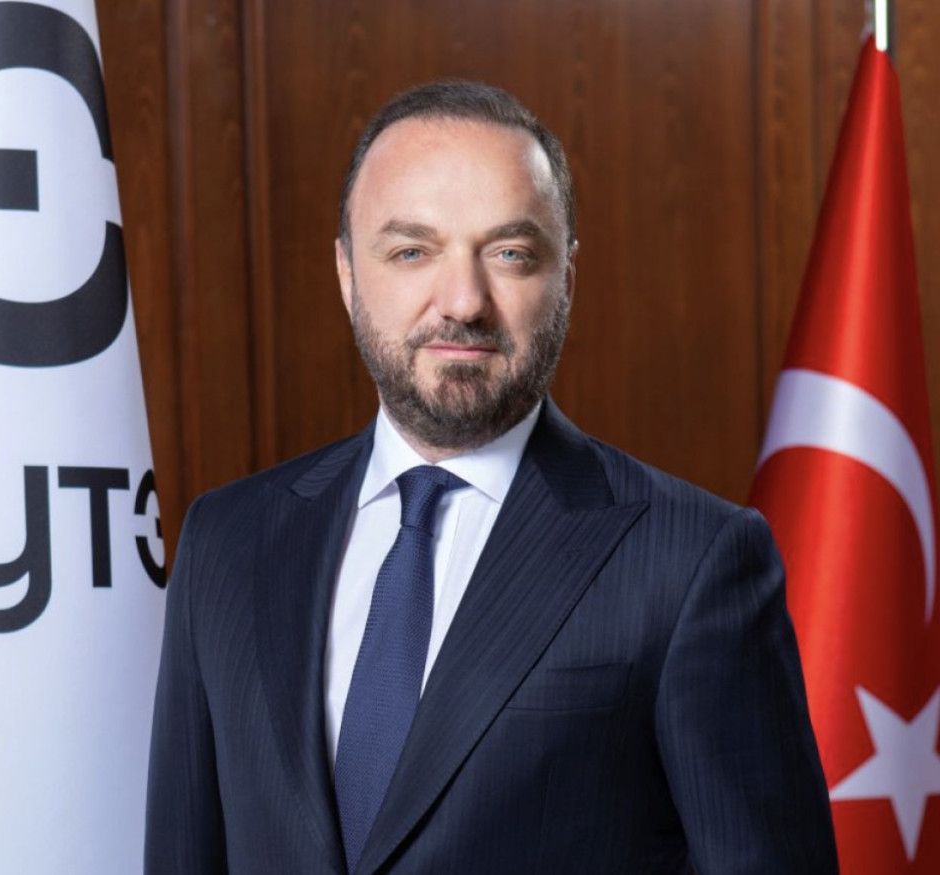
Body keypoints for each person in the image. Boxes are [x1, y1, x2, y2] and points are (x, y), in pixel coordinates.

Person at [145, 80, 837, 874]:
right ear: (346, 273)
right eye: (412, 251)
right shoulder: (226, 543)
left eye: (509, 253)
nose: (463, 302)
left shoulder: (694, 561)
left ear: (566, 278)